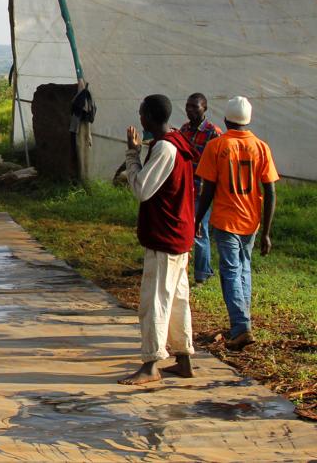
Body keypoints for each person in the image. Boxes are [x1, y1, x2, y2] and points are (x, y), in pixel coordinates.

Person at [119, 94, 196, 385]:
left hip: (164, 236)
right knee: (177, 300)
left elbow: (142, 189)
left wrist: (132, 155)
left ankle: (151, 364)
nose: (140, 119)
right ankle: (184, 359)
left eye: (141, 114)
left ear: (149, 117)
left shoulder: (165, 148)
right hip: (179, 233)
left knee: (154, 302)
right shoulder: (177, 141)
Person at [194, 96, 278, 351]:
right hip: (251, 221)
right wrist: (266, 232)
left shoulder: (218, 146)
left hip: (225, 220)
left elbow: (207, 190)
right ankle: (243, 322)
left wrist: (197, 220)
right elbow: (271, 191)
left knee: (231, 271)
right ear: (248, 120)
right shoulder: (261, 147)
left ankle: (241, 327)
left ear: (226, 119)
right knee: (243, 269)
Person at [178, 93, 222, 285]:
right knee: (186, 228)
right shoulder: (184, 129)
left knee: (200, 230)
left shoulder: (213, 133)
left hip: (202, 189)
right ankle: (198, 270)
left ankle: (201, 275)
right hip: (185, 187)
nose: (190, 110)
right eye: (188, 106)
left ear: (205, 108)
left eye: (195, 107)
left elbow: (218, 164)